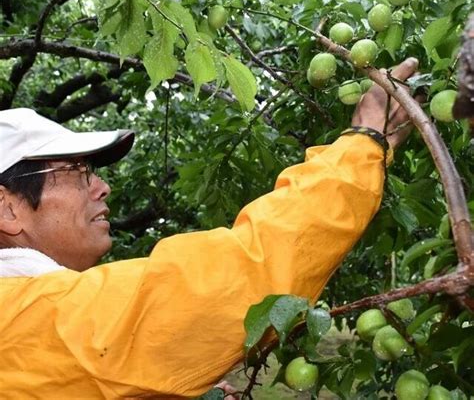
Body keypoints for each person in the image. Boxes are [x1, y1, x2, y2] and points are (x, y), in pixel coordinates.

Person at [0, 58, 418, 398]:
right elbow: (238, 279)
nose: (102, 187)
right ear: (7, 209)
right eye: (75, 171)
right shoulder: (24, 317)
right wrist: (360, 148)